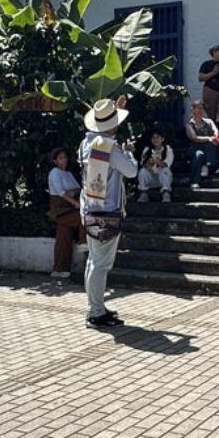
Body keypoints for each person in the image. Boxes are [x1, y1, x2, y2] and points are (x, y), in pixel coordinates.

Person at [79, 97, 138, 328]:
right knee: (100, 264)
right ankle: (95, 311)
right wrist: (129, 153)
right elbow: (131, 171)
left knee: (94, 262)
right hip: (107, 212)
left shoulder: (87, 143)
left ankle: (96, 307)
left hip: (90, 209)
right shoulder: (109, 147)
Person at [47, 147, 83, 280]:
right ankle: (83, 241)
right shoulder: (54, 173)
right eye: (60, 158)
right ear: (55, 161)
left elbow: (78, 189)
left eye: (65, 157)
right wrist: (74, 202)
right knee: (82, 216)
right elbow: (61, 193)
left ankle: (60, 268)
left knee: (64, 235)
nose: (64, 160)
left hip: (69, 205)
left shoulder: (68, 174)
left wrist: (72, 194)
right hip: (61, 209)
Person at [184, 102, 219, 188]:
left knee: (211, 144)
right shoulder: (190, 125)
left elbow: (216, 130)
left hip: (208, 148)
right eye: (198, 108)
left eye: (202, 108)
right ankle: (194, 181)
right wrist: (208, 138)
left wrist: (215, 136)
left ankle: (208, 165)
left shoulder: (209, 121)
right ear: (193, 109)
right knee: (199, 155)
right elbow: (194, 138)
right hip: (195, 148)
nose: (200, 110)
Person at [137, 129, 174, 203]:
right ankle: (144, 193)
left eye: (157, 137)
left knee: (165, 170)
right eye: (153, 138)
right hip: (151, 179)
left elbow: (166, 164)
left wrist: (157, 160)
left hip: (163, 179)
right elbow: (143, 164)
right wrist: (149, 162)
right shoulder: (147, 150)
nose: (155, 140)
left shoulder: (168, 149)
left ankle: (166, 193)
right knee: (143, 171)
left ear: (162, 139)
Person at [196, 45, 219, 119]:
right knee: (210, 114)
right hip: (211, 90)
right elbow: (200, 78)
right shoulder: (206, 64)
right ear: (214, 52)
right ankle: (211, 129)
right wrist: (213, 73)